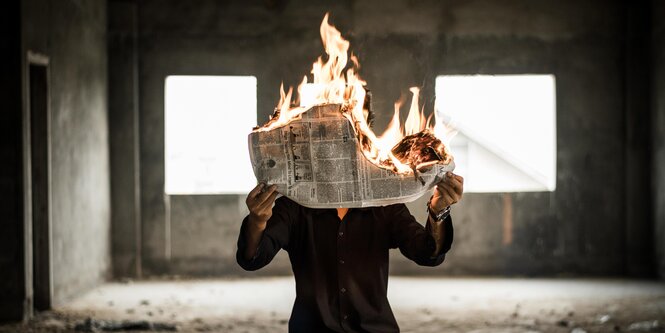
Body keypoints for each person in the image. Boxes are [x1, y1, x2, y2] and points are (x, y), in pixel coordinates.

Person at [236, 172, 464, 333]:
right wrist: (257, 221)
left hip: (374, 328)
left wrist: (439, 210)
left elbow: (428, 253)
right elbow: (253, 258)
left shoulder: (384, 205)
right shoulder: (294, 207)